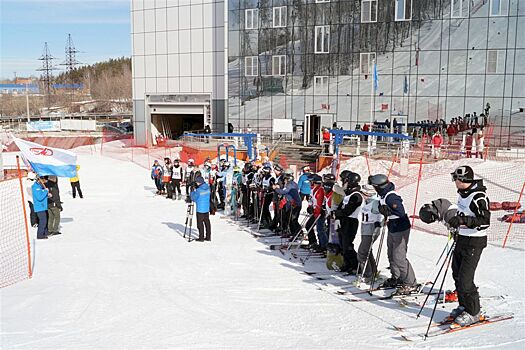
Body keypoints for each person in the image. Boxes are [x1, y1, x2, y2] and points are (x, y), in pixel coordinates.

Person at [446, 166, 490, 327]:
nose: (454, 182)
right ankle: (465, 306)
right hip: (462, 239)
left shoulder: (478, 196)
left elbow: (485, 222)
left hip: (474, 242)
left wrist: (464, 221)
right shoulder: (462, 194)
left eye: (456, 179)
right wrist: (456, 222)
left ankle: (474, 312)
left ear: (463, 179)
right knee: (456, 274)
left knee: (465, 279)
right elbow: (463, 213)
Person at [368, 174, 417, 294]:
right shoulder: (383, 196)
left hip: (400, 227)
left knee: (399, 257)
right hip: (393, 227)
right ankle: (397, 277)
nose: (374, 189)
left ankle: (410, 283)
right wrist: (383, 211)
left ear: (380, 187)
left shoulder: (391, 197)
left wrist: (388, 211)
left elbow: (400, 212)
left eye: (375, 187)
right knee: (391, 253)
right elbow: (383, 208)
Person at [334, 171, 363, 273]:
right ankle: (347, 264)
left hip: (351, 222)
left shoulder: (356, 195)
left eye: (344, 181)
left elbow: (347, 211)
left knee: (347, 245)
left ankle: (355, 265)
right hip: (344, 220)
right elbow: (341, 206)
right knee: (342, 244)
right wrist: (337, 215)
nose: (343, 183)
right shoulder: (348, 194)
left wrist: (337, 213)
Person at [356, 185, 383, 279]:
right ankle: (373, 272)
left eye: (363, 193)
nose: (362, 195)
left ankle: (367, 274)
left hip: (371, 230)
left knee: (362, 253)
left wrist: (379, 224)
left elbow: (382, 214)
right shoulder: (367, 201)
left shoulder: (375, 202)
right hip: (365, 229)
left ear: (368, 194)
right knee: (367, 251)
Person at [273, 170, 301, 238]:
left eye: (285, 180)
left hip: (295, 204)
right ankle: (292, 232)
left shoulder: (290, 184)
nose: (284, 181)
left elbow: (283, 191)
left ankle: (298, 231)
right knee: (289, 218)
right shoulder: (290, 184)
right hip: (290, 203)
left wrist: (276, 189)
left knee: (293, 219)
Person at [305, 174, 327, 252]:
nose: (310, 183)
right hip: (315, 212)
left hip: (319, 213)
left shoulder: (320, 190)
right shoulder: (313, 189)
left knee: (320, 230)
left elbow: (321, 202)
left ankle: (323, 246)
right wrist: (310, 207)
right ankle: (313, 242)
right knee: (308, 226)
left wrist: (319, 210)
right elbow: (311, 200)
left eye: (311, 182)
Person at [190, 176, 212, 241]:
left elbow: (193, 198)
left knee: (200, 224)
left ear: (199, 182)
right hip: (206, 208)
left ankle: (201, 237)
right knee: (207, 222)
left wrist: (192, 192)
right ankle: (208, 237)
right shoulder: (208, 188)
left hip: (200, 209)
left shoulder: (198, 190)